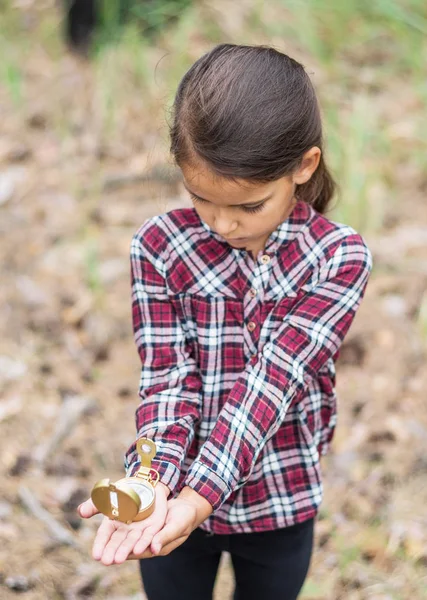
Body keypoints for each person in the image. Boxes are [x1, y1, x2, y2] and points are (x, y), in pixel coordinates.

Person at [78, 43, 373, 599]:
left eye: (248, 206)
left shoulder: (337, 258)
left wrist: (201, 496)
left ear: (303, 167)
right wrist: (154, 480)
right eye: (200, 198)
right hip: (173, 499)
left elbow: (272, 382)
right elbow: (166, 377)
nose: (222, 225)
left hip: (278, 496)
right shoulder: (161, 247)